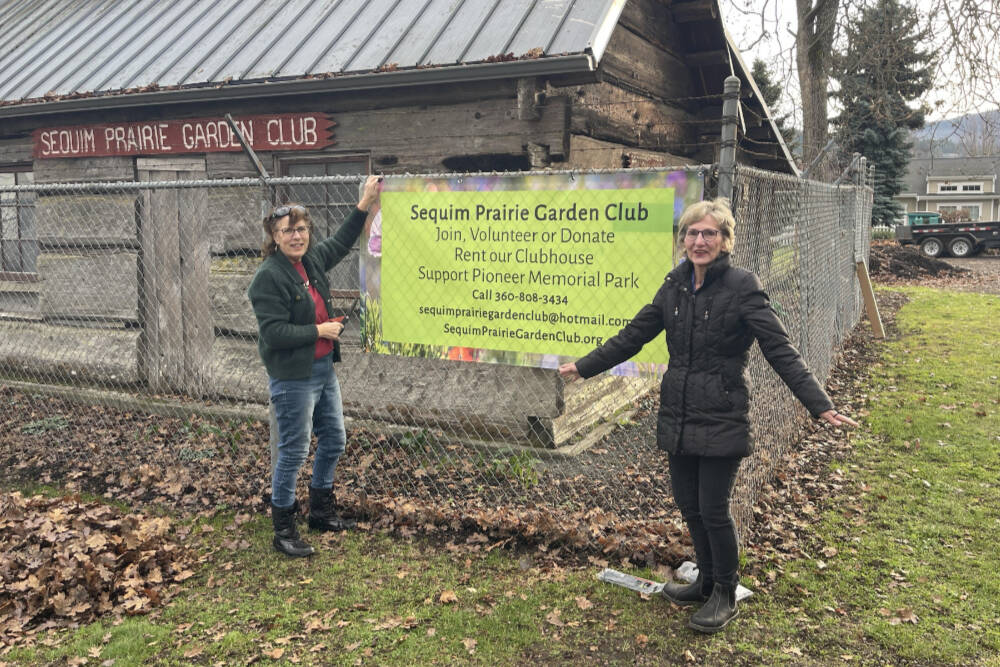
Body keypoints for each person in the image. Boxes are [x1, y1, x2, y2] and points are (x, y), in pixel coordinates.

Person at [558, 198, 858, 633]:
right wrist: (584, 366)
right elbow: (634, 335)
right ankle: (704, 582)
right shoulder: (674, 285)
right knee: (690, 506)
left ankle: (724, 593)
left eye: (709, 233)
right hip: (678, 412)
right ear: (683, 240)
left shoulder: (743, 287)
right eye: (692, 233)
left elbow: (780, 349)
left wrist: (819, 403)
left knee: (714, 509)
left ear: (725, 240)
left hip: (722, 413)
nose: (699, 241)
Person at [248, 174, 381, 558]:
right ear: (274, 237)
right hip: (294, 377)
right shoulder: (268, 277)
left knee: (335, 439)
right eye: (288, 231)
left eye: (302, 229)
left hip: (323, 369)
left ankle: (321, 512)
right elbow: (274, 334)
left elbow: (339, 242)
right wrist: (318, 330)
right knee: (293, 451)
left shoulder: (311, 261)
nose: (297, 236)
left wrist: (364, 204)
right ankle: (283, 530)